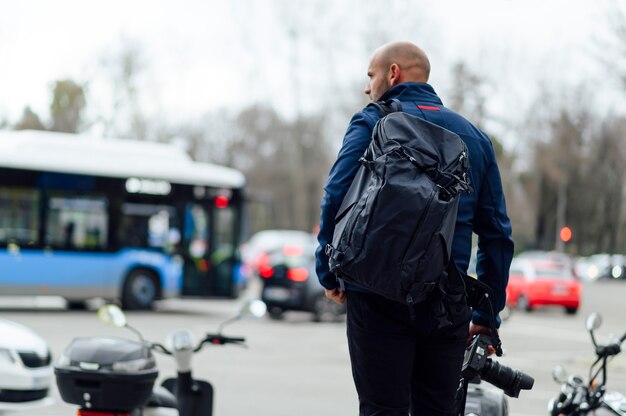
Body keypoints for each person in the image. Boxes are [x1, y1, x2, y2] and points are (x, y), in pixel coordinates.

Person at [315, 41, 514, 415]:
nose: (367, 87)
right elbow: (497, 235)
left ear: (394, 73)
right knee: (437, 408)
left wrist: (329, 274)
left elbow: (335, 195)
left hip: (375, 295)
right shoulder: (473, 137)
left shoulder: (373, 121)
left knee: (381, 407)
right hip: (446, 302)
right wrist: (486, 317)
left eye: (371, 76)